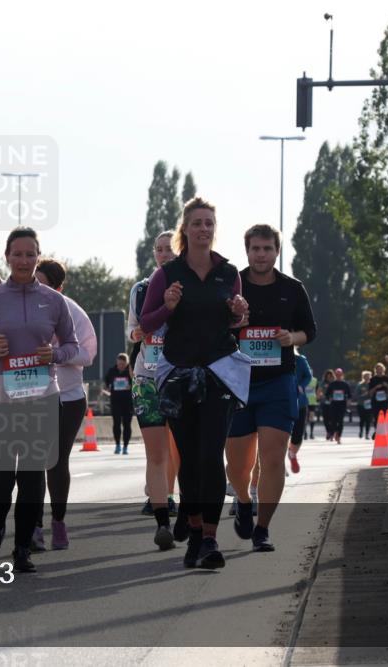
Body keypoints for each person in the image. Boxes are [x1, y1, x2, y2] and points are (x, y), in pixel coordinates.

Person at [139, 197, 250, 569]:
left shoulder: (228, 272)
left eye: (209, 223)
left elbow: (237, 323)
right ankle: (195, 528)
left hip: (218, 373)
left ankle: (208, 540)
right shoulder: (167, 275)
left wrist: (238, 315)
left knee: (210, 457)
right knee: (189, 460)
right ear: (184, 229)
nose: (204, 229)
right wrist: (168, 306)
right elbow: (147, 325)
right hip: (180, 375)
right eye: (197, 223)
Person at [0, 227, 78, 573]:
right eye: (18, 254)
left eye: (30, 254)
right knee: (0, 476)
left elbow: (73, 346)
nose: (24, 260)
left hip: (40, 397)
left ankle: (23, 547)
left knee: (31, 476)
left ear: (38, 257)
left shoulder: (54, 301)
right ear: (7, 257)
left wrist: (53, 354)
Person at [225, 224, 317, 553]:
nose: (261, 254)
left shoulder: (292, 288)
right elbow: (213, 327)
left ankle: (262, 528)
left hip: (279, 382)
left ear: (277, 251)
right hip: (238, 383)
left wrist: (292, 339)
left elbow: (310, 330)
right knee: (237, 465)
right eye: (255, 249)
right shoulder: (230, 285)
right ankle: (244, 500)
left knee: (273, 457)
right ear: (247, 251)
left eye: (267, 248)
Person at [31, 258, 96, 551]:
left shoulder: (73, 312)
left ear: (58, 287)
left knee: (55, 461)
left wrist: (56, 354)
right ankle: (33, 526)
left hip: (68, 398)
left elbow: (87, 355)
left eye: (42, 283)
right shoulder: (22, 310)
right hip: (31, 395)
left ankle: (58, 522)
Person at [126, 229, 181, 543]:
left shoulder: (193, 287)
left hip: (182, 377)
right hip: (147, 377)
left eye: (169, 249)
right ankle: (162, 517)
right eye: (159, 249)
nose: (164, 254)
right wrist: (140, 334)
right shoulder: (141, 289)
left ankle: (183, 505)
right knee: (156, 453)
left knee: (183, 448)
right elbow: (133, 330)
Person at [103, 354, 133, 454]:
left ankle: (125, 446)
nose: (120, 366)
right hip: (115, 401)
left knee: (127, 424)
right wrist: (107, 386)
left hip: (128, 401)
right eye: (119, 364)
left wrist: (131, 386)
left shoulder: (130, 371)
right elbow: (106, 381)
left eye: (123, 364)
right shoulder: (112, 371)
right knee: (116, 423)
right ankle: (117, 445)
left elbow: (136, 381)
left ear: (127, 363)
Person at [289, 348, 313, 473]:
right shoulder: (273, 358)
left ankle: (292, 454)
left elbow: (308, 376)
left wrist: (301, 385)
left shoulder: (300, 360)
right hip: (280, 401)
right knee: (279, 435)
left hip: (300, 402)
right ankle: (279, 462)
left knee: (298, 435)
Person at [323, 368, 351, 443]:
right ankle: (333, 433)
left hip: (342, 405)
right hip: (333, 405)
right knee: (333, 421)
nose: (338, 376)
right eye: (337, 375)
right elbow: (327, 395)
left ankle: (339, 436)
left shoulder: (345, 384)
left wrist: (348, 402)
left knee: (341, 421)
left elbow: (349, 395)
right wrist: (330, 398)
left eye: (340, 375)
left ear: (342, 375)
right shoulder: (332, 384)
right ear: (335, 375)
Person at [368, 363, 388, 439]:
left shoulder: (387, 379)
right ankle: (378, 432)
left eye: (381, 369)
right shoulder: (372, 379)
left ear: (383, 369)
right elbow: (369, 393)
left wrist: (387, 386)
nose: (379, 371)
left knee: (385, 417)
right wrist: (376, 387)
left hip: (384, 401)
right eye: (377, 369)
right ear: (375, 370)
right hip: (375, 401)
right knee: (376, 417)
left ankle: (383, 432)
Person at [355, 371, 373, 439]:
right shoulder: (360, 385)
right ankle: (361, 431)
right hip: (361, 404)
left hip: (369, 405)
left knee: (368, 420)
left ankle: (367, 434)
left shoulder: (371, 385)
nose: (367, 378)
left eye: (368, 376)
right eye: (366, 376)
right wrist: (363, 395)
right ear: (363, 377)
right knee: (362, 419)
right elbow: (356, 395)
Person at [305, 371, 319, 440]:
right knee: (305, 418)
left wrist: (318, 397)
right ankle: (305, 433)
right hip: (304, 401)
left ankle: (311, 433)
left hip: (312, 402)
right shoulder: (303, 379)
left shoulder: (315, 380)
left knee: (311, 418)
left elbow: (317, 391)